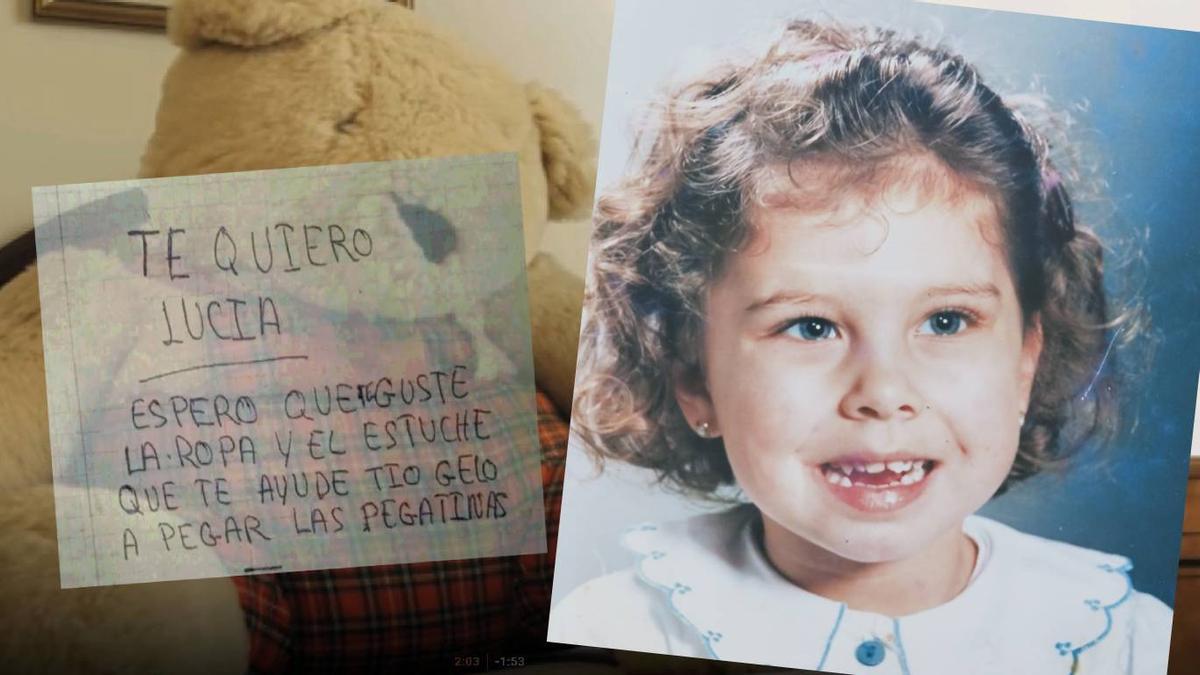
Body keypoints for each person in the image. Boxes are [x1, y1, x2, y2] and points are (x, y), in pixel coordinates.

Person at [548, 19, 1172, 675]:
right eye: (812, 326)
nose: (883, 394)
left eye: (947, 321)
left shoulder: (1125, 640)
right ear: (694, 375)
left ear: (1025, 361)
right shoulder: (613, 630)